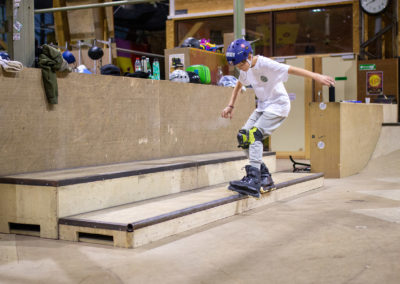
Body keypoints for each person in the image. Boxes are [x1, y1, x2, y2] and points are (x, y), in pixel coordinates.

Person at [221, 38, 335, 198]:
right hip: (262, 107)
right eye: (237, 66)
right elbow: (239, 85)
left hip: (278, 106)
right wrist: (230, 106)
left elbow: (292, 69)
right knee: (243, 137)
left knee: (254, 135)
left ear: (249, 56)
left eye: (241, 64)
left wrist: (316, 76)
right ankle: (265, 177)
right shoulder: (244, 69)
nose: (240, 68)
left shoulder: (266, 64)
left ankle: (254, 180)